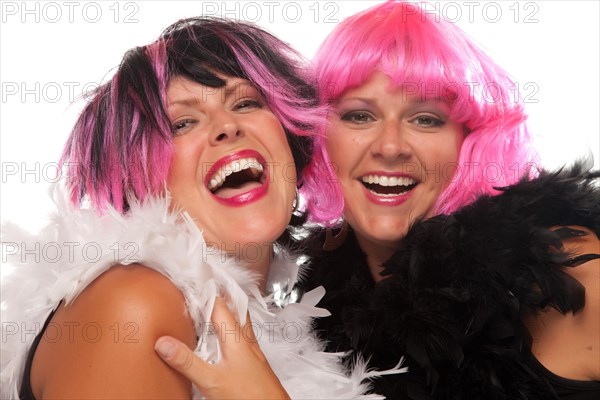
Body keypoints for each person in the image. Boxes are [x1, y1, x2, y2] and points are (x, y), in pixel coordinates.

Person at [0, 17, 382, 400]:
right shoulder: (135, 305)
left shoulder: (279, 334)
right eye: (182, 123)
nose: (227, 126)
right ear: (133, 181)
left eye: (247, 102)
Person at [295, 1, 600, 399]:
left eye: (425, 119)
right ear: (318, 137)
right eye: (358, 116)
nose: (390, 147)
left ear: (469, 140)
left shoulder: (568, 275)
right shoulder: (314, 310)